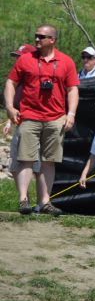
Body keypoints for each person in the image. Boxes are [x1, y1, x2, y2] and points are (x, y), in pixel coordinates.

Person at [5, 24, 79, 216]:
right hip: (29, 116)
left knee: (49, 161)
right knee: (25, 159)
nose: (37, 39)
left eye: (41, 37)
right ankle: (23, 200)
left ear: (52, 40)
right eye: (36, 36)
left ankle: (45, 202)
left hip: (55, 118)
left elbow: (72, 89)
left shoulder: (66, 61)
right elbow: (11, 83)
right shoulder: (25, 59)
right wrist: (10, 107)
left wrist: (70, 114)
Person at [4, 43, 45, 212]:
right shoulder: (18, 79)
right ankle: (24, 200)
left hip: (34, 126)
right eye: (16, 57)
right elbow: (14, 104)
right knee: (15, 166)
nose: (17, 60)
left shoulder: (35, 77)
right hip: (20, 125)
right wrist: (9, 120)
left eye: (20, 56)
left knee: (36, 166)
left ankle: (41, 203)